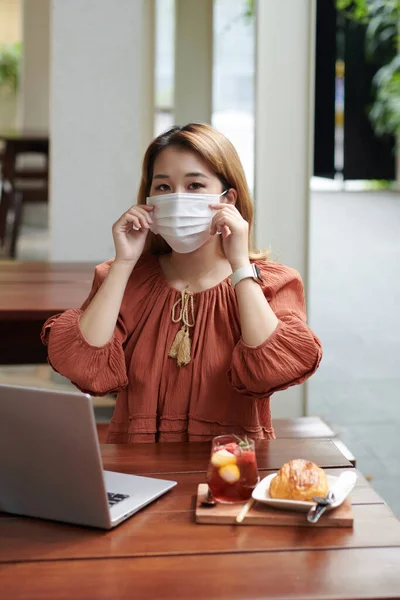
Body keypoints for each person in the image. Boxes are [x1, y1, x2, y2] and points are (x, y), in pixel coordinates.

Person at [41, 123, 322, 443]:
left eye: (194, 185)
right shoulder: (126, 280)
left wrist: (240, 264)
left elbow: (271, 371)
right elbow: (83, 365)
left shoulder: (273, 283)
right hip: (139, 474)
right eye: (163, 187)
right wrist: (124, 263)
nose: (177, 198)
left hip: (231, 476)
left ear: (228, 199)